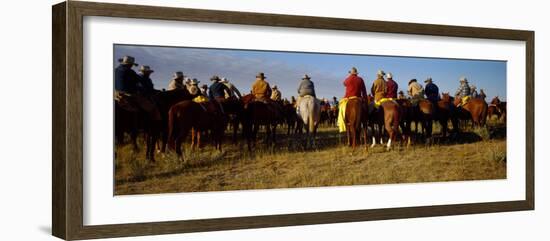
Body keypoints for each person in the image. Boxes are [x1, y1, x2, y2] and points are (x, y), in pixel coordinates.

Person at [114, 56, 160, 120]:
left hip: (116, 93)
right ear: (130, 64)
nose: (131, 66)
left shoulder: (115, 70)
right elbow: (139, 82)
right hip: (129, 94)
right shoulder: (130, 72)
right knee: (151, 107)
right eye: (131, 65)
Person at [338, 67, 367, 132]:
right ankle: (366, 121)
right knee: (366, 110)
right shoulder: (360, 79)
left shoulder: (348, 79)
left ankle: (341, 122)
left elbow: (344, 83)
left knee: (341, 107)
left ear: (351, 73)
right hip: (358, 97)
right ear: (356, 73)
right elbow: (364, 91)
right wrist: (365, 100)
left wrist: (349, 77)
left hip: (348, 98)